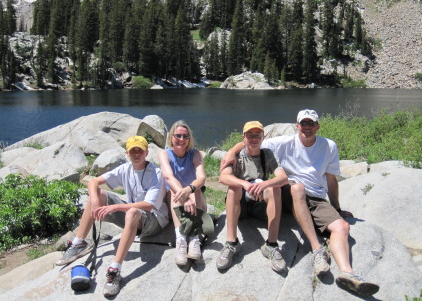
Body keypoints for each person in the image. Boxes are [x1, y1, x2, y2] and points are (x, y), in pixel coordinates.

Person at [222, 110, 379, 297]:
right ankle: (317, 249)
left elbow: (331, 180)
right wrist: (232, 151)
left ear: (317, 126)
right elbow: (252, 144)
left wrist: (336, 208)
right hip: (291, 192)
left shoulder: (328, 146)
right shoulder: (284, 142)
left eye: (311, 123)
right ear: (297, 126)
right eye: (303, 123)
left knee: (342, 227)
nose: (307, 127)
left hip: (316, 198)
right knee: (296, 189)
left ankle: (348, 273)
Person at [56, 135, 169, 297]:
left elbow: (149, 205)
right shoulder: (125, 169)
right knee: (99, 194)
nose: (136, 154)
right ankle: (78, 243)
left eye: (140, 151)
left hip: (154, 221)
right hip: (133, 218)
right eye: (133, 151)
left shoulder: (156, 174)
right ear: (127, 153)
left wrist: (116, 206)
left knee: (132, 211)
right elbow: (93, 182)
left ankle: (115, 270)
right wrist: (95, 202)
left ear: (146, 153)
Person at [216, 121, 288, 273]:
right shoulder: (237, 156)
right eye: (250, 135)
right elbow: (223, 177)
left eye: (257, 135)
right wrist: (245, 184)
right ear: (244, 137)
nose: (254, 138)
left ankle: (271, 244)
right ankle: (232, 243)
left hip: (259, 205)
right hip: (240, 206)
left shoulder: (267, 154)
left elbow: (283, 178)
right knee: (233, 189)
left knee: (275, 189)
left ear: (263, 137)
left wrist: (265, 185)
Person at [158, 120, 207, 266]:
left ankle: (194, 237)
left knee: (196, 190)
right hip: (175, 199)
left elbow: (202, 178)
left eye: (185, 137)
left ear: (189, 139)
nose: (182, 140)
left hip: (195, 198)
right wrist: (183, 196)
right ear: (171, 137)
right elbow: (168, 176)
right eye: (178, 136)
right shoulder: (164, 154)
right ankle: (180, 239)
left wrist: (189, 190)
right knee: (174, 192)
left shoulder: (195, 154)